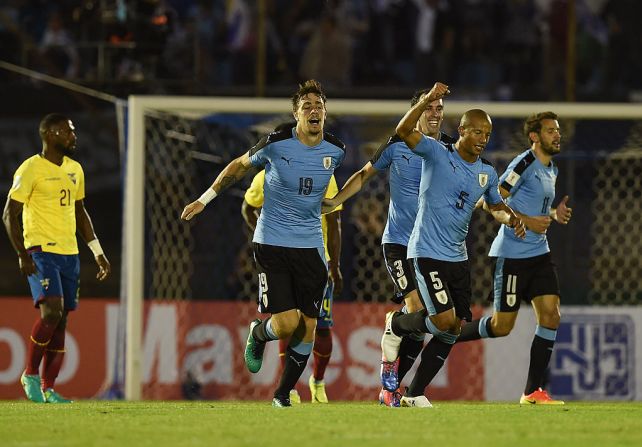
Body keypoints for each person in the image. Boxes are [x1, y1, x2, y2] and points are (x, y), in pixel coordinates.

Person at [181, 80, 346, 407]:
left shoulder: (335, 150)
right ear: (295, 114)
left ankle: (283, 394)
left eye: (319, 106)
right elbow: (238, 167)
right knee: (286, 323)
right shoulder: (276, 142)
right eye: (307, 106)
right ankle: (259, 333)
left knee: (309, 328)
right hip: (272, 241)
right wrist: (205, 199)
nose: (314, 110)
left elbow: (330, 206)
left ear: (325, 112)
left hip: (312, 247)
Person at [380, 82, 526, 407]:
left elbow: (494, 206)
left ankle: (414, 393)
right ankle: (396, 323)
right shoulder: (435, 152)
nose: (483, 139)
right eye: (477, 132)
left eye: (487, 134)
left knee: (454, 328)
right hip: (425, 252)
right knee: (443, 321)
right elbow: (403, 130)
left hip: (457, 257)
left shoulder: (487, 172)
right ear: (461, 130)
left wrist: (511, 218)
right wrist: (428, 101)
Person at [322, 89, 456, 406]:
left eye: (439, 107)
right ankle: (392, 325)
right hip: (398, 243)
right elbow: (363, 174)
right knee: (416, 310)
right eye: (428, 107)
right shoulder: (397, 145)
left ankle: (390, 389)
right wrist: (336, 201)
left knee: (422, 325)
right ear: (416, 113)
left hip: (432, 248)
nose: (435, 112)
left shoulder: (451, 149)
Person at [456, 111, 572, 405]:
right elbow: (491, 200)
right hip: (511, 257)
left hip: (539, 254)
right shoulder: (524, 163)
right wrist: (526, 221)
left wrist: (552, 216)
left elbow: (536, 213)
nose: (557, 135)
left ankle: (532, 391)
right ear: (534, 136)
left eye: (557, 131)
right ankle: (449, 333)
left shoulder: (552, 169)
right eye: (550, 131)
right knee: (501, 327)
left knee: (551, 316)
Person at [3, 113, 111, 404]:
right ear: (50, 134)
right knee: (51, 311)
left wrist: (98, 252)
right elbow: (8, 215)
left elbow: (80, 213)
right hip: (41, 250)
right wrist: (22, 254)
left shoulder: (75, 169)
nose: (73, 136)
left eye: (73, 132)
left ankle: (49, 389)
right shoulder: (30, 169)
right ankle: (29, 374)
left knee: (61, 320)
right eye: (67, 132)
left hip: (69, 253)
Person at [241, 127, 343, 404]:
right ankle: (263, 340)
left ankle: (295, 389)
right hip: (278, 252)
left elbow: (334, 220)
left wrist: (334, 264)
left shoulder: (325, 169)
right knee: (287, 324)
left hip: (315, 257)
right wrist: (263, 233)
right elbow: (248, 207)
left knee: (316, 325)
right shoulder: (265, 176)